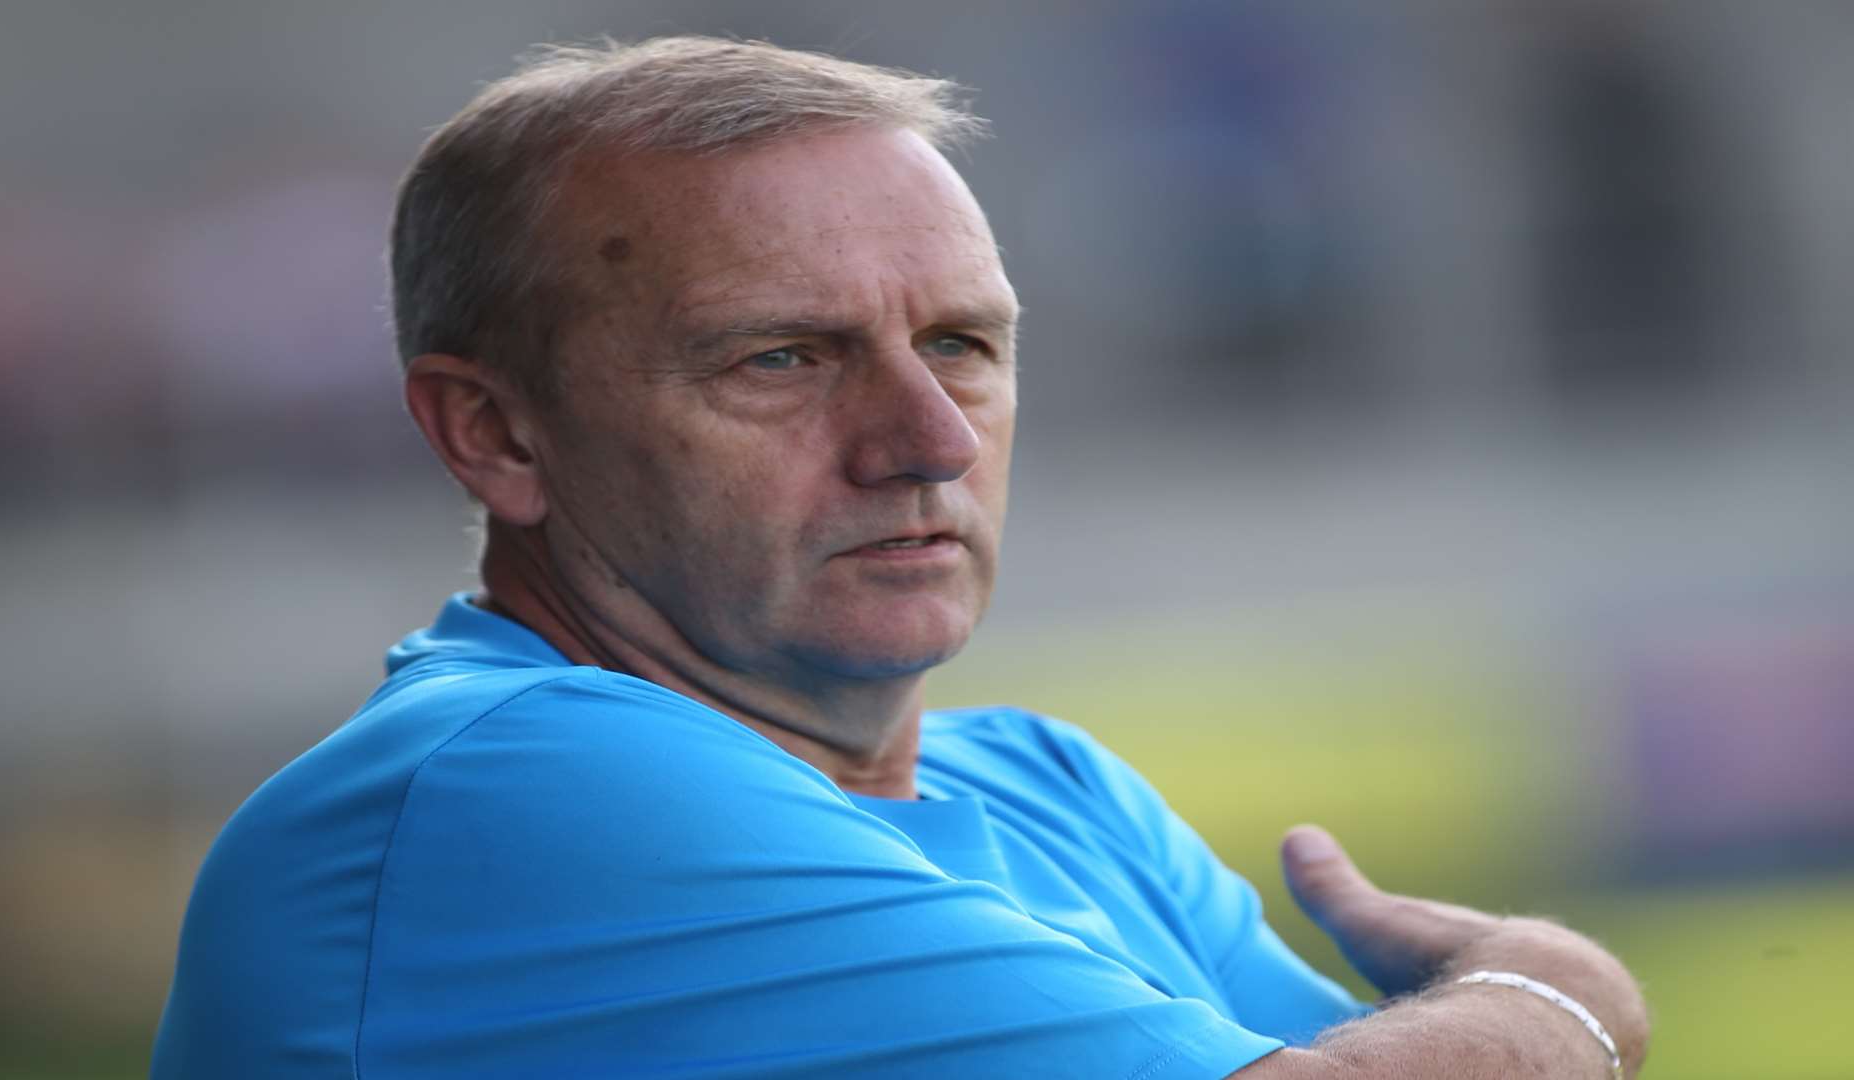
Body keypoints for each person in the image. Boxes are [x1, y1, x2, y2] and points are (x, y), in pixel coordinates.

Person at [153, 37, 1647, 1079]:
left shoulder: (1048, 790)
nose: (928, 437)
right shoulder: (513, 788)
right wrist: (1557, 989)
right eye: (783, 358)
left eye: (961, 345)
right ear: (496, 436)